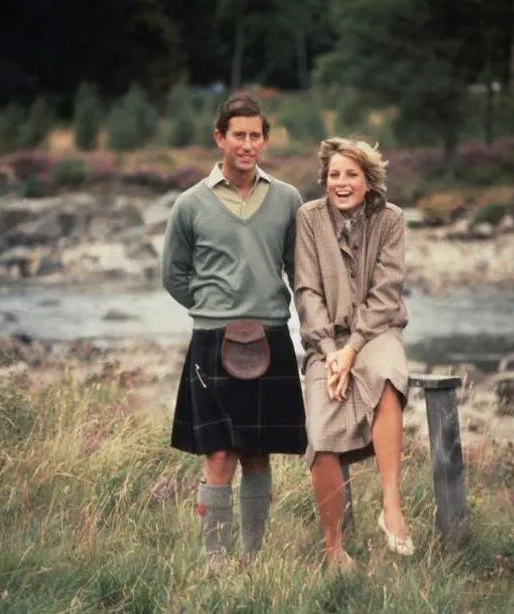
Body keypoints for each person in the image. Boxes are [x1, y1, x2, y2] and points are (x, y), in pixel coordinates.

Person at [161, 92, 307, 564]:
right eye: (238, 135)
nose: (247, 144)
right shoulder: (190, 204)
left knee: (258, 453)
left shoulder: (288, 200)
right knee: (219, 455)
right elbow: (174, 275)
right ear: (220, 138)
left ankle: (252, 559)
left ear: (265, 140)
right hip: (212, 339)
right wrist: (212, 310)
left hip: (271, 335)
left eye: (255, 136)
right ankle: (215, 563)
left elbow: (297, 269)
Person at [294, 137, 414, 570]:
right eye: (334, 175)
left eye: (351, 174)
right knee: (321, 432)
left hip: (376, 332)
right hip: (324, 341)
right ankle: (334, 550)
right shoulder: (308, 218)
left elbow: (385, 295)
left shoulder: (392, 220)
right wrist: (330, 351)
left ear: (369, 180)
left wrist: (353, 349)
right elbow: (306, 291)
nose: (341, 183)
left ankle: (391, 506)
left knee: (387, 375)